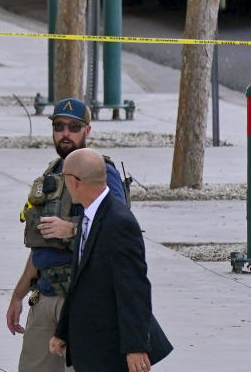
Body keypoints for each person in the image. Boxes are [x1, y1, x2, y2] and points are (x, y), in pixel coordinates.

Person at [5, 98, 127, 372]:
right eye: (59, 126)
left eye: (74, 127)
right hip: (45, 296)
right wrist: (18, 294)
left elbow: (118, 229)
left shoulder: (101, 172)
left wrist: (71, 229)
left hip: (83, 299)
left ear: (87, 130)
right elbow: (40, 245)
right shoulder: (51, 174)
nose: (66, 133)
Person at [50, 149, 173, 372]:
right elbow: (79, 281)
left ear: (75, 182)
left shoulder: (118, 222)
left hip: (111, 349)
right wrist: (62, 331)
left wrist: (136, 346)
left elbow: (134, 288)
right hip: (89, 345)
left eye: (64, 178)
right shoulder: (89, 215)